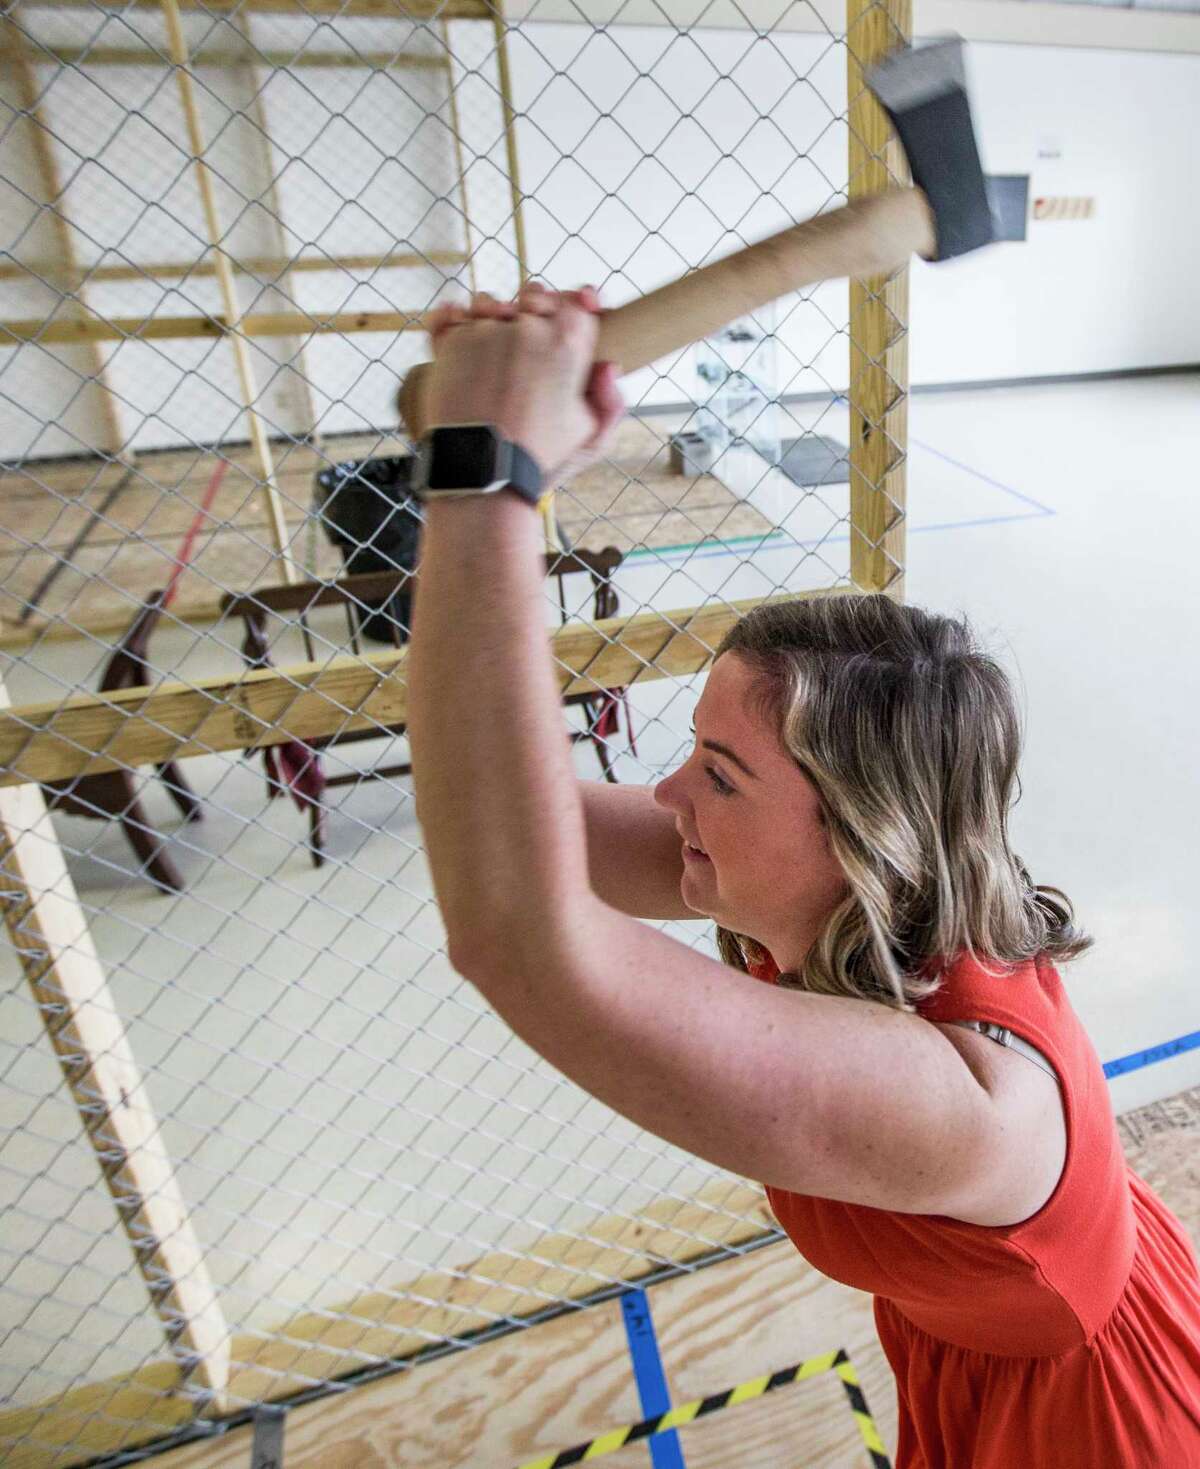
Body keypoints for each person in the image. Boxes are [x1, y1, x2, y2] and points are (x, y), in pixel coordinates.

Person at [404, 282, 1200, 1467]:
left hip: (1094, 1422)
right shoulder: (886, 881)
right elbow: (506, 825)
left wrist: (486, 471)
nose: (669, 799)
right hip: (998, 1329)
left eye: (720, 776)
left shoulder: (953, 1106)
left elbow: (519, 934)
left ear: (861, 830)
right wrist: (468, 464)